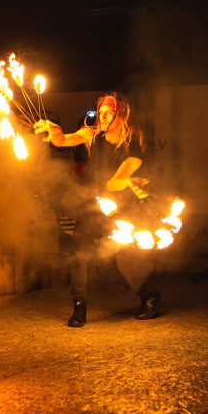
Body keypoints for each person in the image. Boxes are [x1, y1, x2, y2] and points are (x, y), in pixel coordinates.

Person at [34, 92, 160, 327]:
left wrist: (130, 183)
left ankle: (149, 294)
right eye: (100, 111)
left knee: (112, 268)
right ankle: (79, 307)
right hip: (90, 208)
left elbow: (113, 182)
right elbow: (62, 140)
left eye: (108, 112)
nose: (101, 117)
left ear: (121, 117)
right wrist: (54, 130)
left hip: (117, 213)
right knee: (79, 254)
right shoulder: (91, 135)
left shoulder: (132, 150)